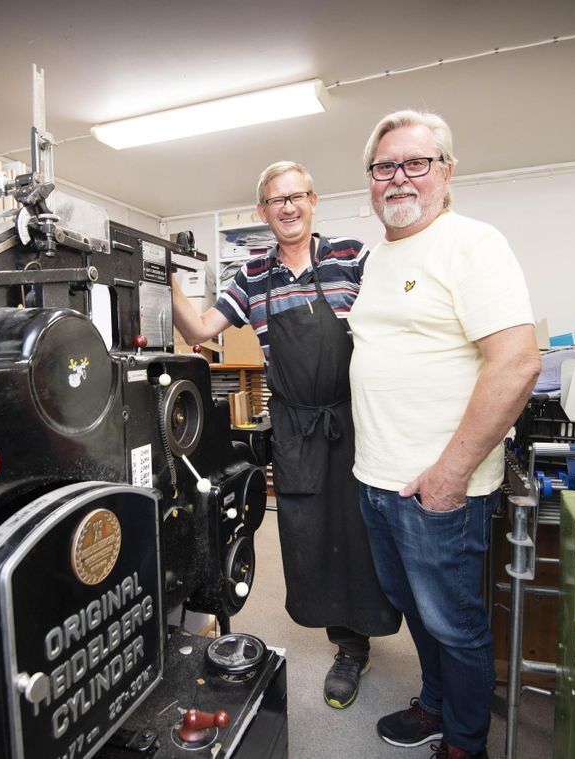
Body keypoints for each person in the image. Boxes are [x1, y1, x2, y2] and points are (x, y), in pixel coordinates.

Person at [348, 111, 542, 759]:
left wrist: (449, 475)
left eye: (416, 163)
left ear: (446, 172)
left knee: (455, 625)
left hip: (439, 489)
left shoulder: (472, 243)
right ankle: (434, 706)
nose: (398, 178)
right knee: (415, 610)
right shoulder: (378, 255)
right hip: (377, 480)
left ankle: (464, 743)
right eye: (384, 166)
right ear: (371, 179)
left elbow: (516, 361)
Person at [172, 161, 400, 709]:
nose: (289, 207)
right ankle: (341, 640)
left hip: (354, 420)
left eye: (297, 197)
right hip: (295, 427)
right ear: (263, 211)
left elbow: (398, 317)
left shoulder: (352, 257)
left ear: (313, 201)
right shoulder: (252, 276)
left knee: (363, 534)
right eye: (277, 201)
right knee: (308, 535)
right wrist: (163, 279)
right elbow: (201, 330)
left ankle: (358, 641)